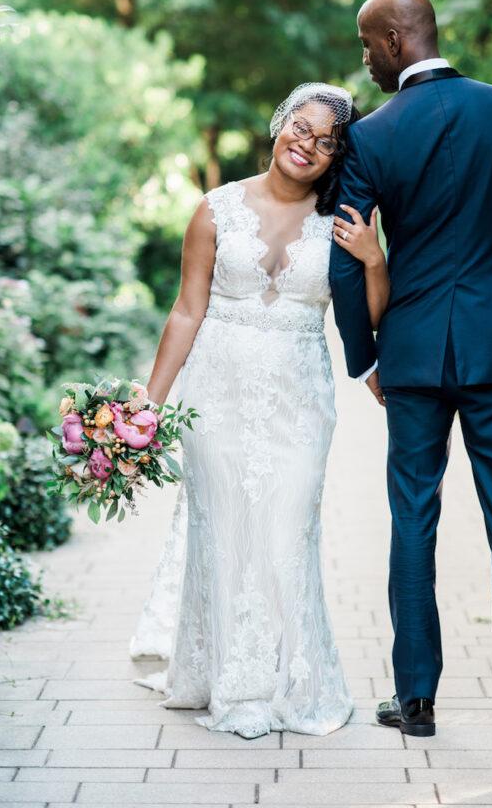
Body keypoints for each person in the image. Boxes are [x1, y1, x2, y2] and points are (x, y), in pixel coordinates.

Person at [329, 0, 492, 740]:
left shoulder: (371, 136)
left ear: (398, 43)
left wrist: (367, 358)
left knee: (412, 518)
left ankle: (416, 701)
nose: (366, 61)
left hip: (412, 356)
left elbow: (348, 261)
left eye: (370, 46)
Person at [129, 82, 389, 740]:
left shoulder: (346, 224)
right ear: (278, 127)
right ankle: (235, 685)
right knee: (226, 533)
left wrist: (374, 261)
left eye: (327, 140)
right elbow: (187, 311)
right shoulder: (214, 210)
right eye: (300, 128)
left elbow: (372, 319)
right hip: (217, 391)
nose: (308, 145)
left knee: (285, 532)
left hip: (301, 400)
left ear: (337, 156)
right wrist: (148, 406)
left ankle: (292, 678)